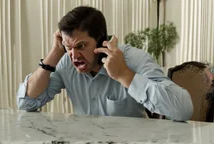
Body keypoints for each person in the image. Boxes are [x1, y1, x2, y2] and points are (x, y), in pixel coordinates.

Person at [17, 6, 193, 121]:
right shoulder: (65, 62)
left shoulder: (134, 59)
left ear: (102, 40)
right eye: (68, 47)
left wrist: (124, 75)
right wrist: (55, 53)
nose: (74, 55)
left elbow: (183, 110)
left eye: (81, 46)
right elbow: (25, 104)